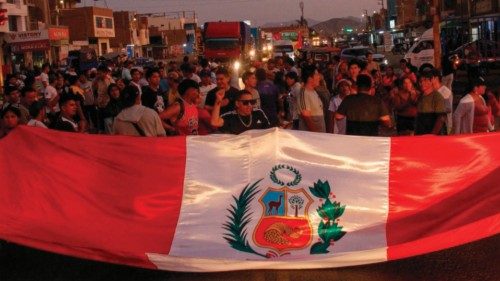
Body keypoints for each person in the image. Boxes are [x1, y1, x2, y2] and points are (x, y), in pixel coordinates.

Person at [415, 71, 446, 135]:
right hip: (421, 133)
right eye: (420, 81)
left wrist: (432, 134)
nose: (422, 83)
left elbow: (441, 118)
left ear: (431, 80)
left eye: (425, 80)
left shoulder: (437, 97)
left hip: (432, 135)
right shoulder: (420, 96)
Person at [297, 65, 326, 133]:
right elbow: (306, 116)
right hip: (311, 137)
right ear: (310, 78)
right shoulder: (304, 93)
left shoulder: (314, 91)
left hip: (319, 135)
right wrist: (316, 134)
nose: (319, 77)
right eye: (316, 75)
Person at [431, 68, 453, 135]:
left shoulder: (444, 91)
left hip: (443, 126)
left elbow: (448, 109)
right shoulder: (432, 90)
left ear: (436, 78)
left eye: (430, 78)